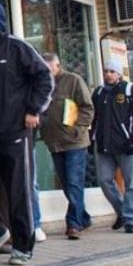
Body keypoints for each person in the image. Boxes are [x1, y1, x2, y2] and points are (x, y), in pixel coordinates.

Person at [0, 2, 53, 266]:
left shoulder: (18, 48)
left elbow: (45, 77)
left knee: (18, 191)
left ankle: (23, 245)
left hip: (15, 133)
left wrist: (33, 110)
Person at [40, 53, 94, 239]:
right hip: (54, 143)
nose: (46, 72)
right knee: (66, 185)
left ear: (57, 65)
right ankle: (84, 217)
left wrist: (78, 130)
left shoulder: (73, 80)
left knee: (74, 182)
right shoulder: (42, 84)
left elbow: (87, 107)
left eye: (49, 68)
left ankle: (73, 224)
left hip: (75, 142)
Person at [92, 58, 133, 233]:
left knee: (131, 183)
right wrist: (92, 138)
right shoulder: (99, 93)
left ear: (119, 74)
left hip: (126, 144)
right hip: (104, 145)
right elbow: (94, 118)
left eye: (112, 71)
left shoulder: (130, 90)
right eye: (106, 71)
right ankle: (122, 211)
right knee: (104, 180)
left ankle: (130, 219)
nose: (108, 74)